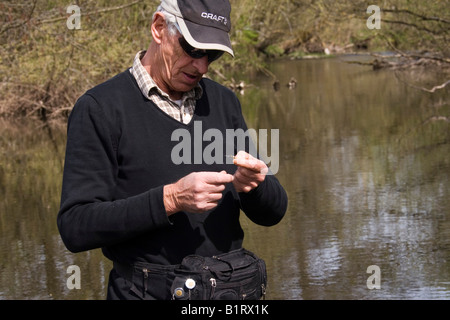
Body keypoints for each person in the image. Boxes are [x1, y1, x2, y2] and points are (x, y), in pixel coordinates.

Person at [57, 0, 288, 300]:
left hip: (231, 293)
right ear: (158, 28)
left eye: (212, 54)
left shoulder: (224, 102)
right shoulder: (100, 109)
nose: (202, 66)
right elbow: (75, 227)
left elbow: (275, 211)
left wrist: (254, 187)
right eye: (192, 49)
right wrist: (170, 199)